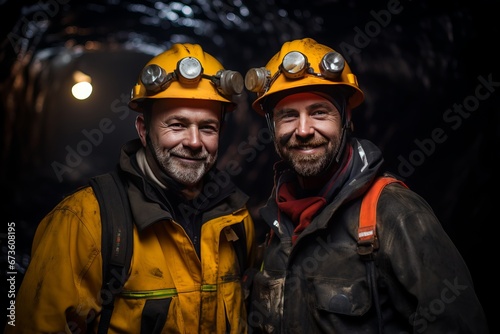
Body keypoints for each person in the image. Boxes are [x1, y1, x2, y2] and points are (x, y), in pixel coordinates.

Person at [5, 43, 256, 333]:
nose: (194, 141)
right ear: (143, 130)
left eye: (208, 128)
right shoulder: (83, 221)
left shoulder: (236, 220)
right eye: (177, 125)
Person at [243, 37, 489, 333]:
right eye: (288, 116)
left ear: (346, 118)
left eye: (319, 112)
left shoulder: (394, 212)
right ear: (272, 127)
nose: (304, 130)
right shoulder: (274, 223)